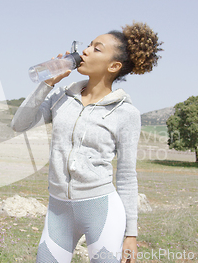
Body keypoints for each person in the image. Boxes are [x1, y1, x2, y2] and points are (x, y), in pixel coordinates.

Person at [10, 21, 162, 263]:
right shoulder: (63, 97)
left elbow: (126, 174)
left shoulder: (126, 113)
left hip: (101, 210)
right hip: (58, 209)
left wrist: (130, 234)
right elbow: (19, 124)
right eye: (88, 45)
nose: (86, 51)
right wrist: (47, 82)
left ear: (114, 66)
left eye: (97, 48)